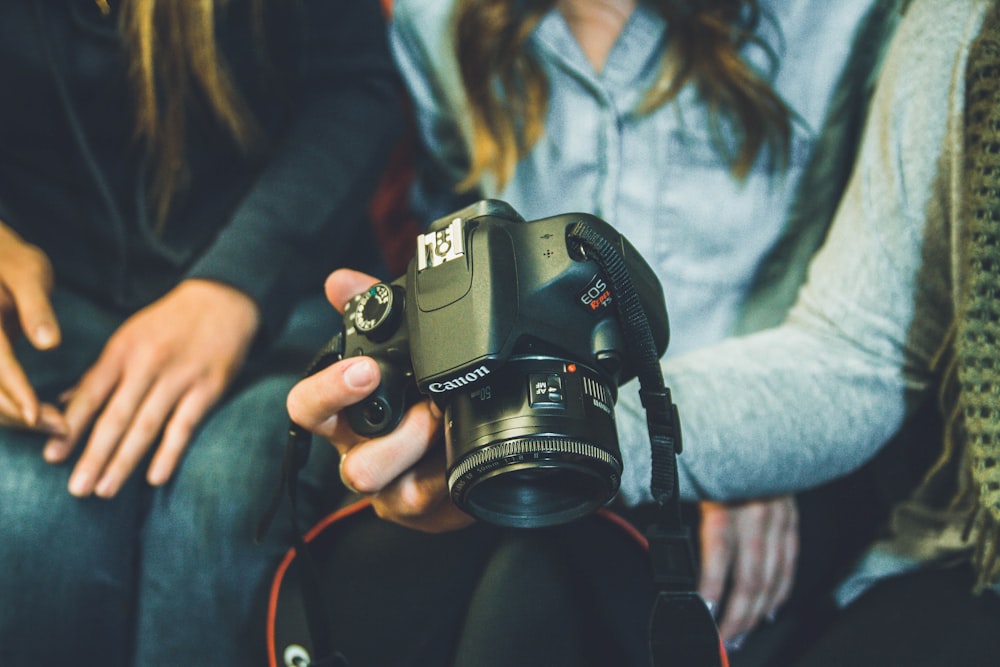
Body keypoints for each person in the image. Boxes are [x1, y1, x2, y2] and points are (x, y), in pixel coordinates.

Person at [288, 0, 1000, 663]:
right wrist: (420, 383)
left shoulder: (852, 18)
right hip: (527, 416)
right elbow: (458, 227)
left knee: (533, 610)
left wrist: (737, 447)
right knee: (362, 594)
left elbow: (861, 334)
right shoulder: (432, 17)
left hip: (761, 410)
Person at [0, 1, 401, 665]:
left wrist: (238, 282)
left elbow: (355, 91)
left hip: (286, 291)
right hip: (44, 303)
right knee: (28, 520)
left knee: (226, 502)